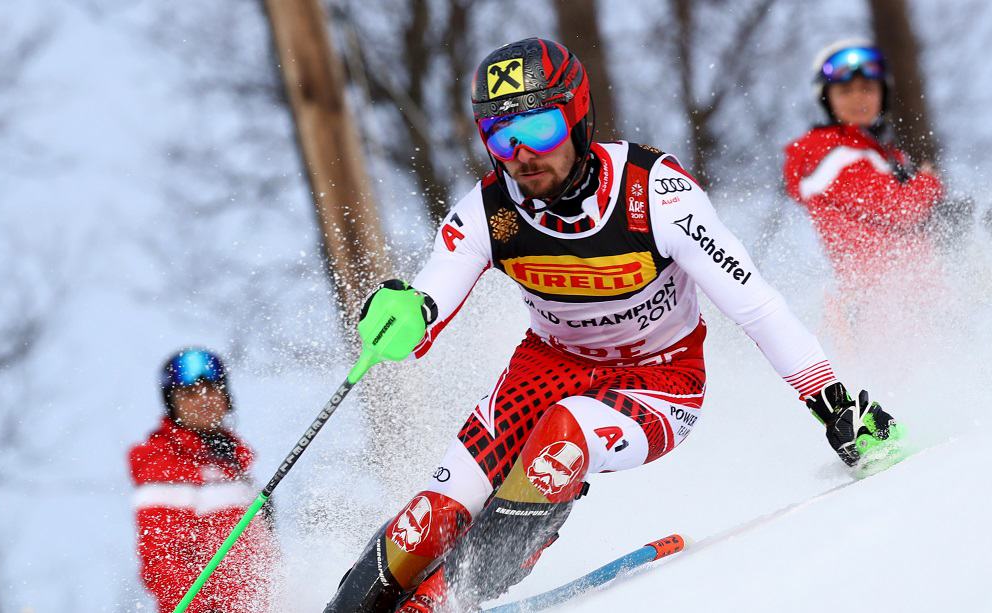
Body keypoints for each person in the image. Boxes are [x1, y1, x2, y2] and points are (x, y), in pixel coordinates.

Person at [325, 38, 898, 613]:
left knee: (565, 434)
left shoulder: (657, 193)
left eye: (542, 128)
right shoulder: (490, 209)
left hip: (658, 382)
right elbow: (433, 291)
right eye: (502, 136)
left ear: (576, 118)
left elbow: (755, 305)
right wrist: (406, 311)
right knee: (429, 521)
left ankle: (444, 601)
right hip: (543, 371)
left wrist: (832, 403)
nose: (523, 153)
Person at [783, 40, 943, 327]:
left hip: (914, 303)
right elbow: (902, 210)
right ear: (826, 99)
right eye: (845, 91)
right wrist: (929, 181)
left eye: (868, 89)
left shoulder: (879, 153)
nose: (859, 99)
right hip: (881, 311)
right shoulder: (832, 154)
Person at [129, 348, 274, 613]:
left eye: (212, 389)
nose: (203, 400)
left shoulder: (231, 463)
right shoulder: (164, 463)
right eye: (189, 394)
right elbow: (163, 560)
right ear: (172, 404)